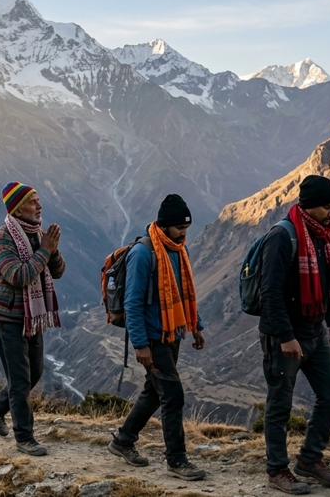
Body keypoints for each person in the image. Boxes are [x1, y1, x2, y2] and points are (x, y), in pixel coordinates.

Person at [106, 194, 207, 480]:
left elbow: (184, 291)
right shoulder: (144, 253)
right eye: (178, 227)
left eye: (186, 227)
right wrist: (140, 344)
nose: (184, 232)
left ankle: (122, 441)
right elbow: (133, 302)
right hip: (153, 338)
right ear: (164, 226)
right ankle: (176, 460)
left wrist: (195, 325)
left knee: (153, 392)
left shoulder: (177, 249)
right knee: (173, 395)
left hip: (172, 333)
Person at [258, 175, 330, 494]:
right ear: (309, 205)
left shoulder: (321, 235)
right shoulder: (284, 236)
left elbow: (325, 284)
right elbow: (270, 293)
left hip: (315, 330)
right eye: (327, 207)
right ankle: (277, 470)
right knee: (280, 401)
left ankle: (309, 459)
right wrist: (284, 336)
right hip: (286, 336)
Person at [0, 182, 65, 457]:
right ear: (17, 208)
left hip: (32, 314)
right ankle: (24, 437)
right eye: (33, 202)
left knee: (35, 372)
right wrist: (44, 251)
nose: (39, 206)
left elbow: (59, 271)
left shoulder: (36, 234)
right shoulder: (3, 238)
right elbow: (18, 275)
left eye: (39, 201)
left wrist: (52, 249)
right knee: (19, 380)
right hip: (8, 317)